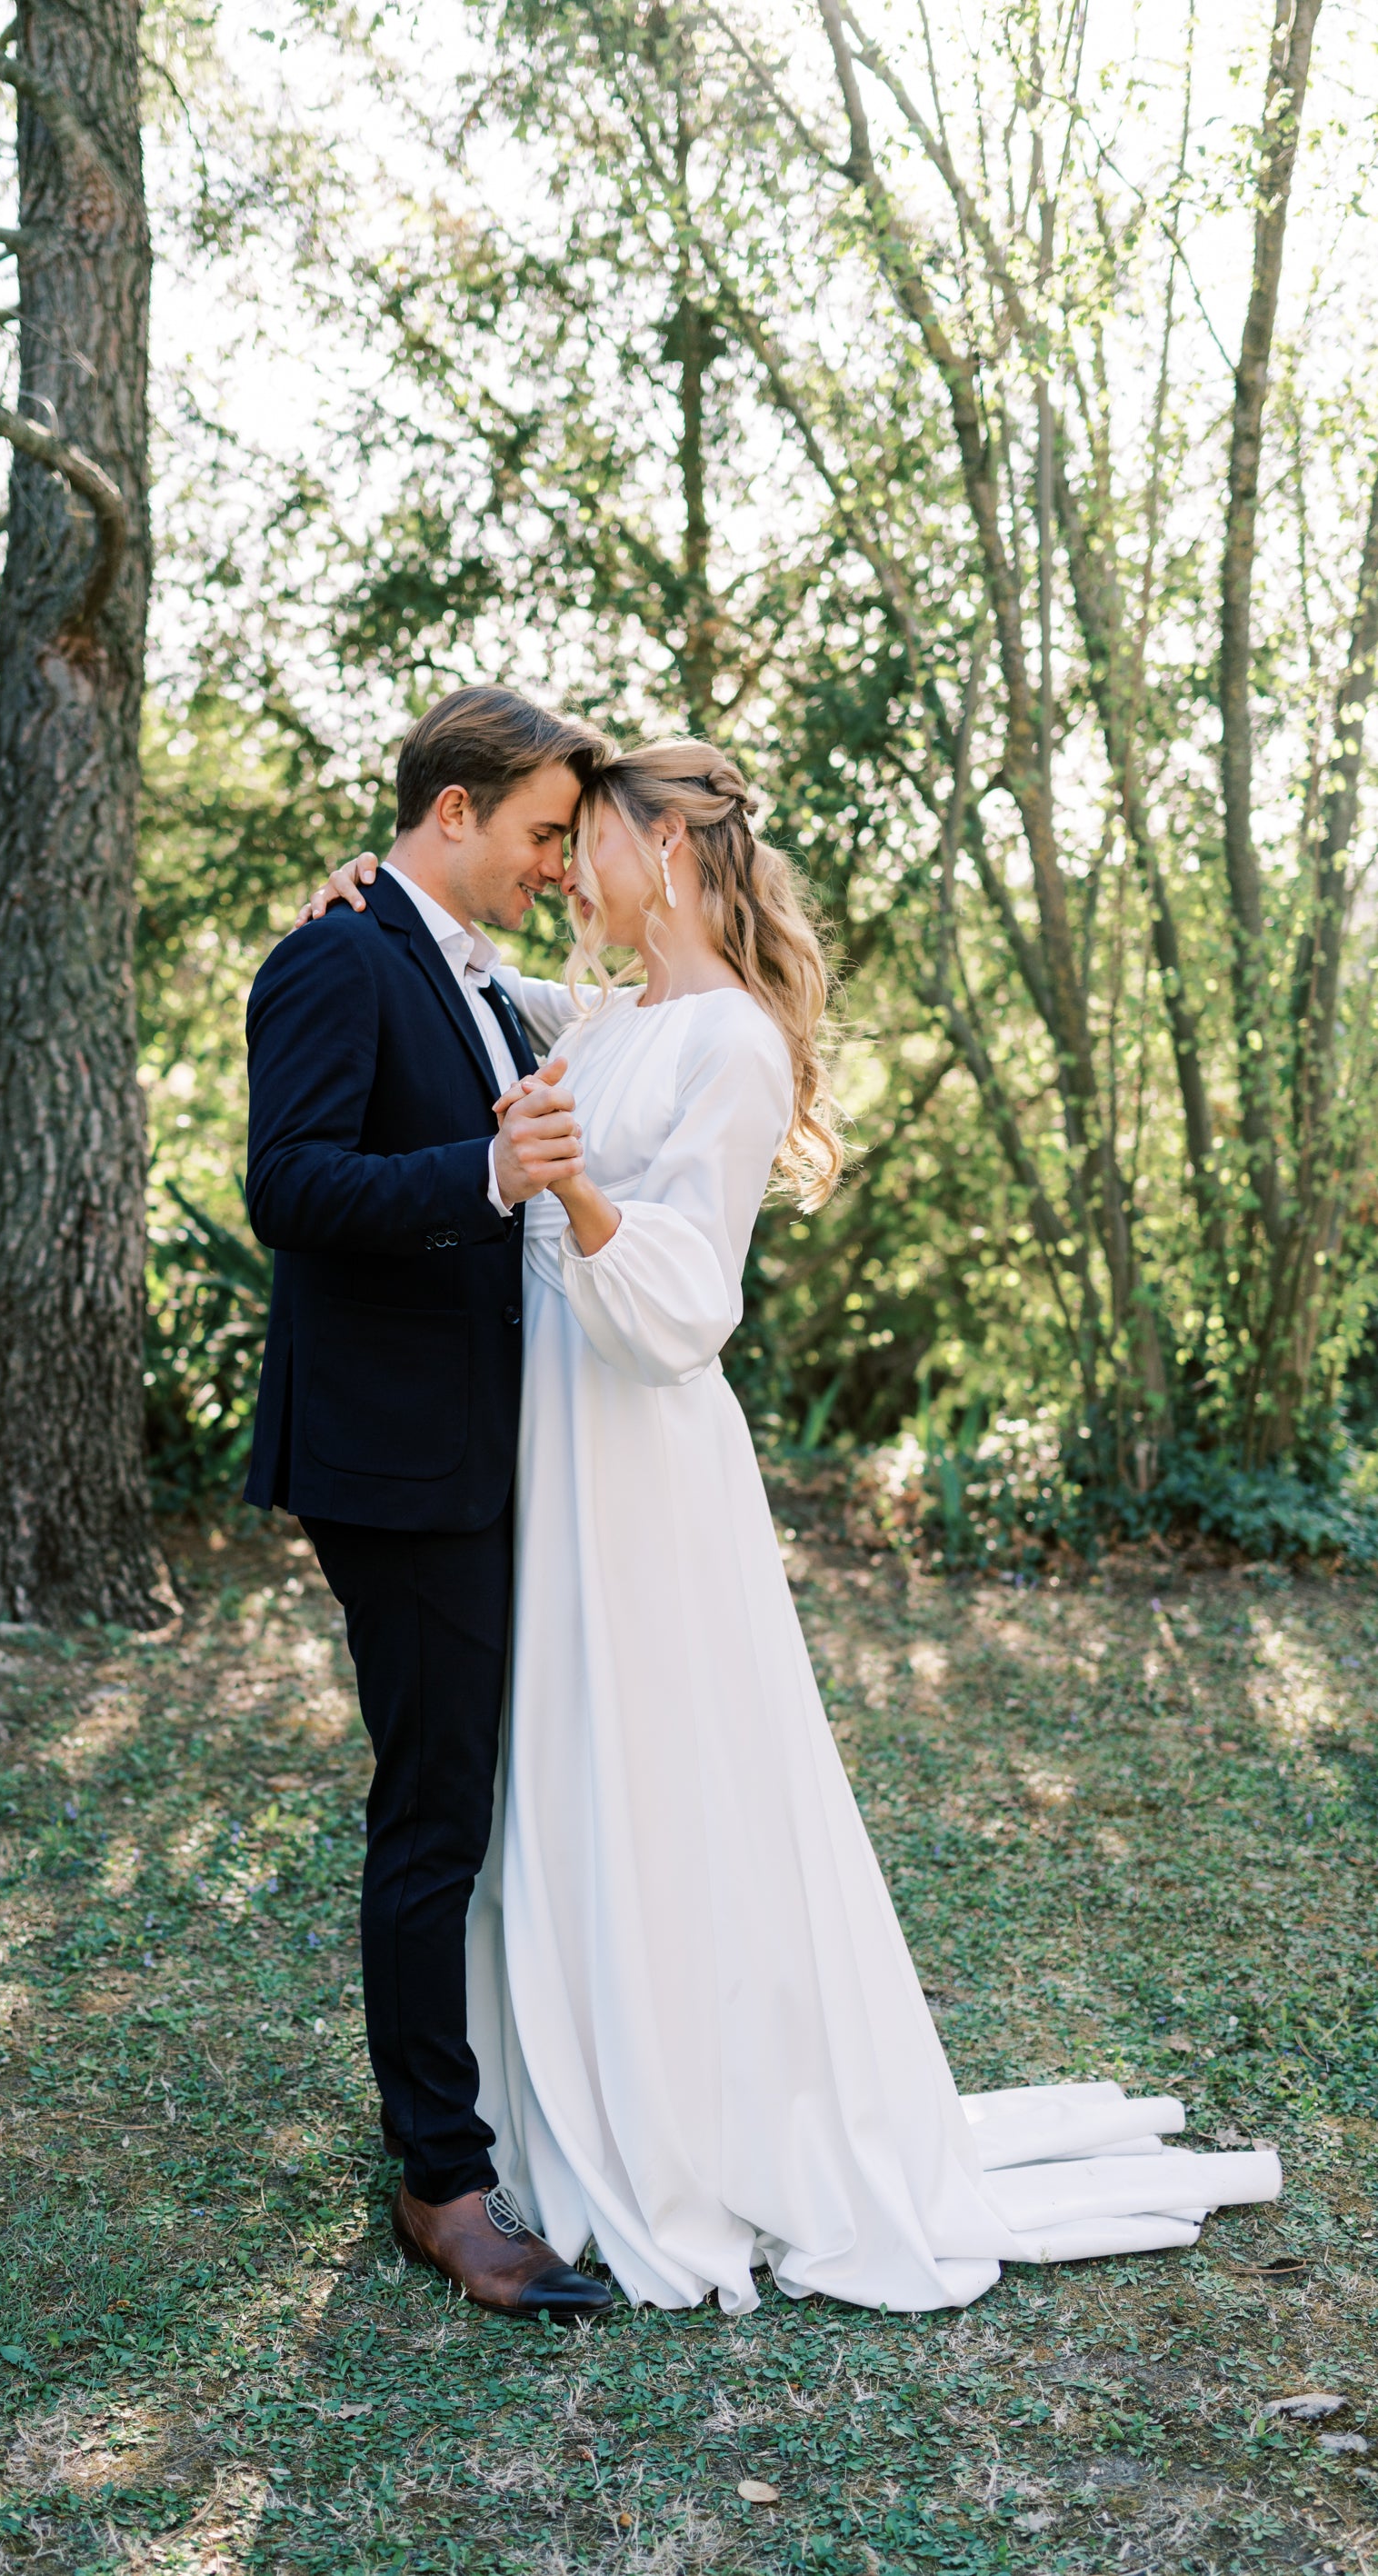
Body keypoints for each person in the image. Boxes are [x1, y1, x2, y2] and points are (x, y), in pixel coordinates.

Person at [296, 736, 1283, 2315]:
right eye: (547, 842)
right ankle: (553, 2097)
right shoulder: (618, 1016)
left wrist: (571, 1198)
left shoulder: (736, 1046)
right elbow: (459, 977)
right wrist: (365, 891)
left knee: (669, 1773)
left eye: (586, 844)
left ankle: (698, 2116)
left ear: (664, 857)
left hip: (640, 1447)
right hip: (547, 1452)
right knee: (563, 1770)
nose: (565, 870)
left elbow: (689, 1300)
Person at [242, 684, 617, 2320]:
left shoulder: (460, 968)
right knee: (434, 1806)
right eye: (540, 830)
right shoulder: (336, 952)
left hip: (480, 1442)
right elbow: (291, 1183)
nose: (553, 860)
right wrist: (488, 1174)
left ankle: (481, 2121)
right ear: (450, 810)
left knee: (466, 1789)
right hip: (397, 1464)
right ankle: (440, 2183)